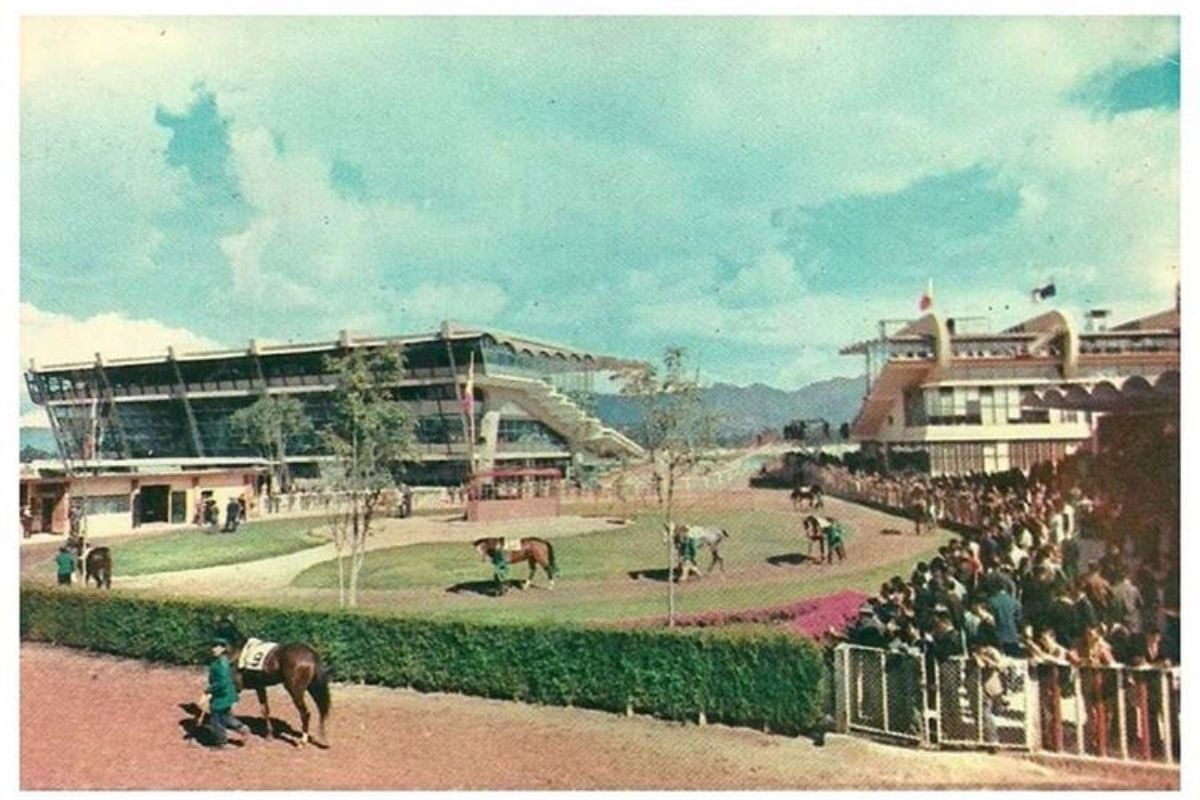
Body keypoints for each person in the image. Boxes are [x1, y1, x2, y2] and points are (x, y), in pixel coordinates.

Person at [199, 637, 250, 748]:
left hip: (222, 694)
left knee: (215, 718)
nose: (213, 649)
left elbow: (222, 682)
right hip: (224, 693)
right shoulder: (219, 660)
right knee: (225, 716)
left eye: (217, 647)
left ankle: (221, 743)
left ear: (223, 649)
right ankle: (242, 728)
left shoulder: (222, 663)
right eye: (213, 646)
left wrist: (208, 691)